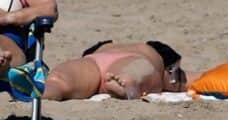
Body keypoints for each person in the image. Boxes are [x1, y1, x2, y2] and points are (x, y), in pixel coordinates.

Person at [39, 41, 187, 102]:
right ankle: (126, 86)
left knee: (59, 81)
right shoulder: (153, 53)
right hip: (137, 60)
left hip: (94, 59)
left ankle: (40, 92)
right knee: (131, 74)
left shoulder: (106, 46)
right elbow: (200, 80)